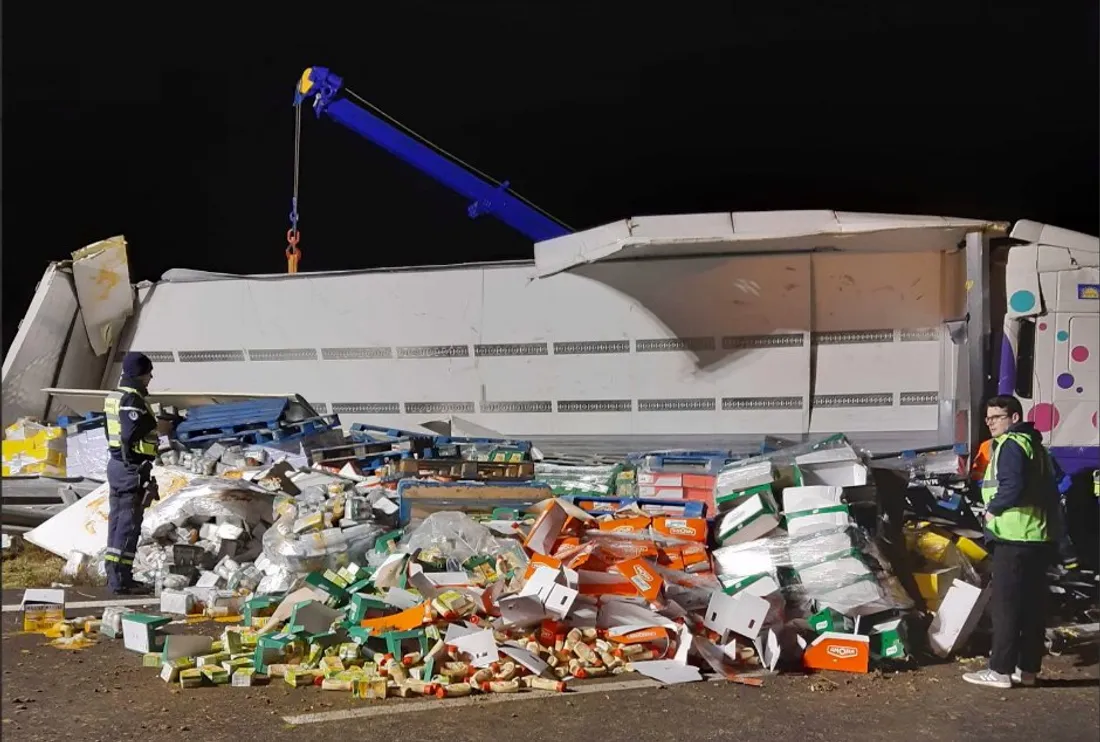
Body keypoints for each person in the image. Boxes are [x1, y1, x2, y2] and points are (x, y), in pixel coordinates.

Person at [963, 395, 1061, 689]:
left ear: (1014, 418)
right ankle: (1027, 669)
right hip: (1039, 536)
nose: (990, 423)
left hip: (1012, 536)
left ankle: (1000, 670)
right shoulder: (1038, 448)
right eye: (988, 418)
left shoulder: (1009, 445)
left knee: (1006, 607)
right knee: (1032, 607)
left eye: (997, 417)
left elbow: (1012, 486)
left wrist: (992, 511)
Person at [103, 352, 160, 595]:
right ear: (140, 374)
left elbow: (111, 431)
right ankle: (120, 580)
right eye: (148, 372)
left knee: (117, 523)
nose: (151, 377)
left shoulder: (114, 396)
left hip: (117, 465)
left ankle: (116, 575)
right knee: (128, 524)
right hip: (130, 467)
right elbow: (130, 431)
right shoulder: (132, 399)